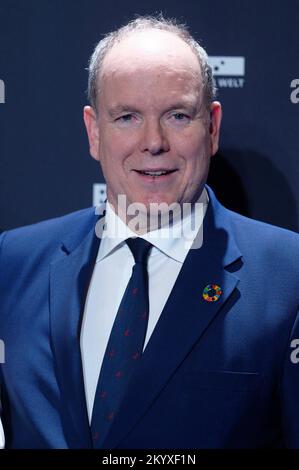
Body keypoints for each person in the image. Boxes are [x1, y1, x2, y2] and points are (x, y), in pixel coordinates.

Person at [1, 15, 299, 449]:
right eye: (126, 117)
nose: (153, 141)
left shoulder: (288, 277)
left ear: (212, 127)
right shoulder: (13, 263)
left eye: (177, 115)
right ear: (94, 131)